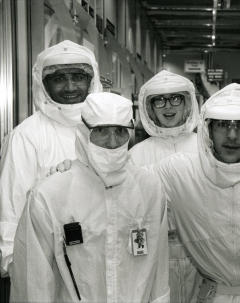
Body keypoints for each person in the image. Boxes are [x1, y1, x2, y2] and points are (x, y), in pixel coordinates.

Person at [9, 92, 169, 303]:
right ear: (84, 133)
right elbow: (34, 283)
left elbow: (159, 271)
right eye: (101, 131)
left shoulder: (149, 189)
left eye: (120, 131)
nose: (112, 141)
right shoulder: (50, 195)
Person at [155, 83, 240, 303]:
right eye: (222, 125)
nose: (231, 135)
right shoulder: (179, 173)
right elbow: (131, 189)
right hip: (211, 294)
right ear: (207, 129)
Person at [0, 40, 102, 279]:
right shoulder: (26, 136)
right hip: (44, 265)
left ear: (92, 80)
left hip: (100, 263)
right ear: (43, 84)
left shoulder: (105, 129)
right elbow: (9, 208)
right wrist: (14, 266)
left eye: (78, 77)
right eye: (58, 79)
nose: (69, 87)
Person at [129, 70, 201, 303]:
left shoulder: (206, 147)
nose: (167, 106)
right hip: (154, 250)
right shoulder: (135, 155)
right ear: (148, 108)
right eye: (158, 100)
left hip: (202, 250)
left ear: (188, 103)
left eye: (175, 98)